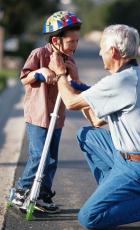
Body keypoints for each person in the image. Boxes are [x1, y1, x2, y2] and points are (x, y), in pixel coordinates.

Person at [49, 24, 140, 228]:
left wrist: (60, 74)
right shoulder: (135, 77)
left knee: (89, 217)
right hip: (126, 156)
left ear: (113, 52)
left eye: (102, 49)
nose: (99, 53)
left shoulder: (121, 82)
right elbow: (96, 121)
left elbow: (70, 102)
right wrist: (75, 80)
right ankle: (115, 193)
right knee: (88, 134)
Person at [12, 11, 82, 213]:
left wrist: (73, 74)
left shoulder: (69, 60)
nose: (74, 46)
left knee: (51, 160)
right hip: (38, 115)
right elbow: (24, 78)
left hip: (57, 118)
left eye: (77, 41)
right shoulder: (39, 55)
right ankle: (21, 190)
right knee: (38, 156)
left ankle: (42, 194)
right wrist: (40, 72)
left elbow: (75, 90)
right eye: (71, 42)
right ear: (55, 40)